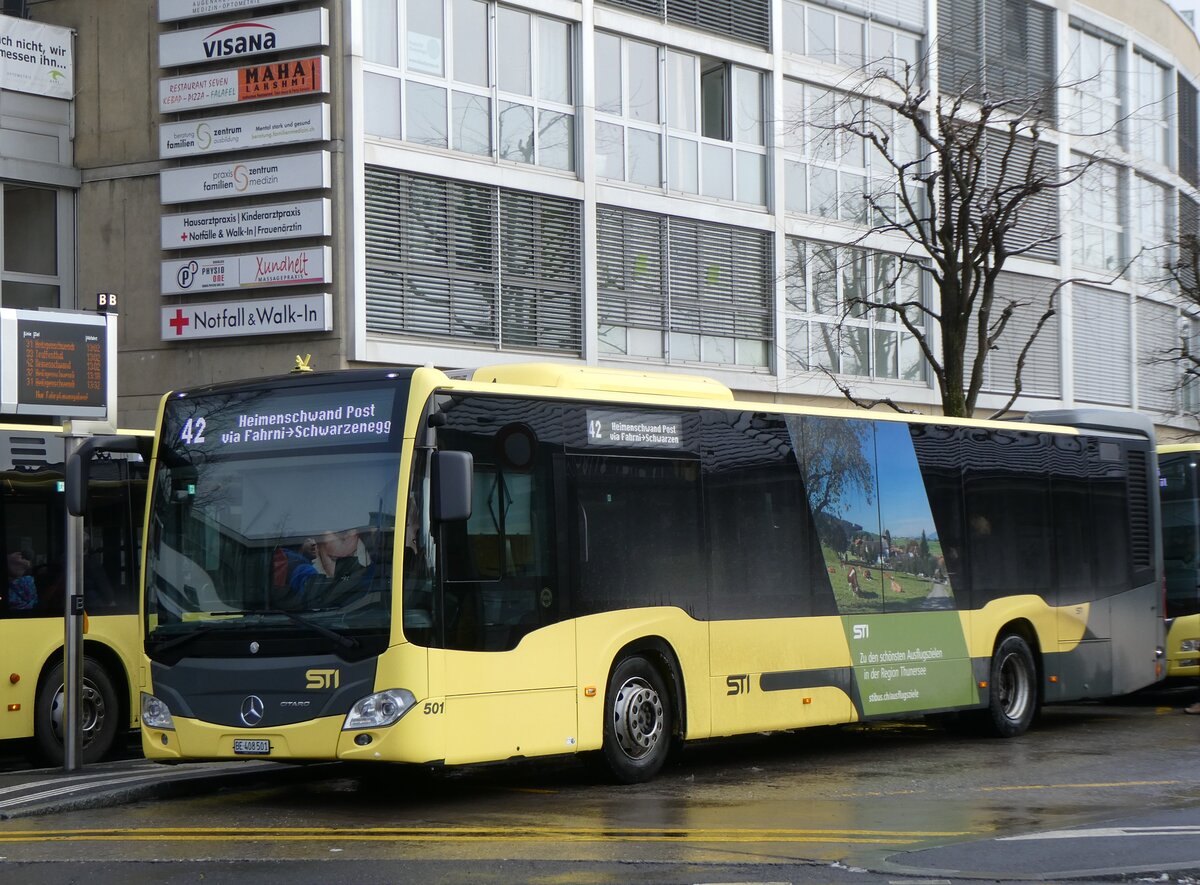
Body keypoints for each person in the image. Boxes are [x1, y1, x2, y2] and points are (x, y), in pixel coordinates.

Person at [272, 528, 371, 609]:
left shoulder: (372, 564)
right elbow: (303, 579)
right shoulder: (293, 563)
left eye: (352, 554)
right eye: (334, 559)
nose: (345, 537)